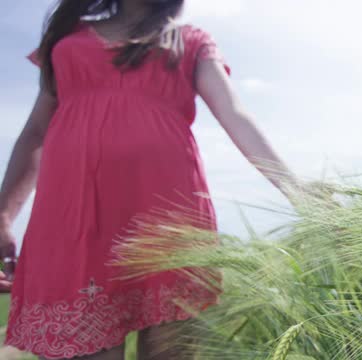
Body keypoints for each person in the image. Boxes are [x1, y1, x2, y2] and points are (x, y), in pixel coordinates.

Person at [0, 0, 311, 359]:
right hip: (76, 215)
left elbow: (235, 113)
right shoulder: (67, 37)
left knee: (170, 351)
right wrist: (5, 214)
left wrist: (296, 189)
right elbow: (35, 131)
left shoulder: (191, 40)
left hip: (167, 216)